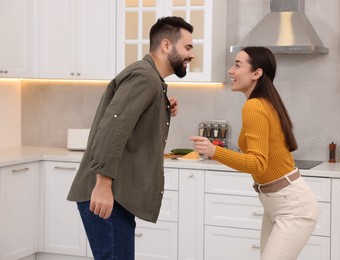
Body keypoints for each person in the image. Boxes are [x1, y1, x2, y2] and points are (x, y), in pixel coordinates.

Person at [67, 16, 194, 260]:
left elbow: (130, 122)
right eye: (187, 47)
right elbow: (113, 128)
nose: (191, 54)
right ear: (167, 45)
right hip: (107, 193)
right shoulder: (144, 77)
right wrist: (103, 185)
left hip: (115, 194)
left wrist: (163, 106)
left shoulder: (152, 81)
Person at [190, 46, 319, 260]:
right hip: (277, 203)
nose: (231, 71)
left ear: (256, 73)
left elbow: (258, 163)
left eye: (237, 65)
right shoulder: (263, 103)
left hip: (292, 206)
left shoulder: (254, 106)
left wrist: (215, 151)